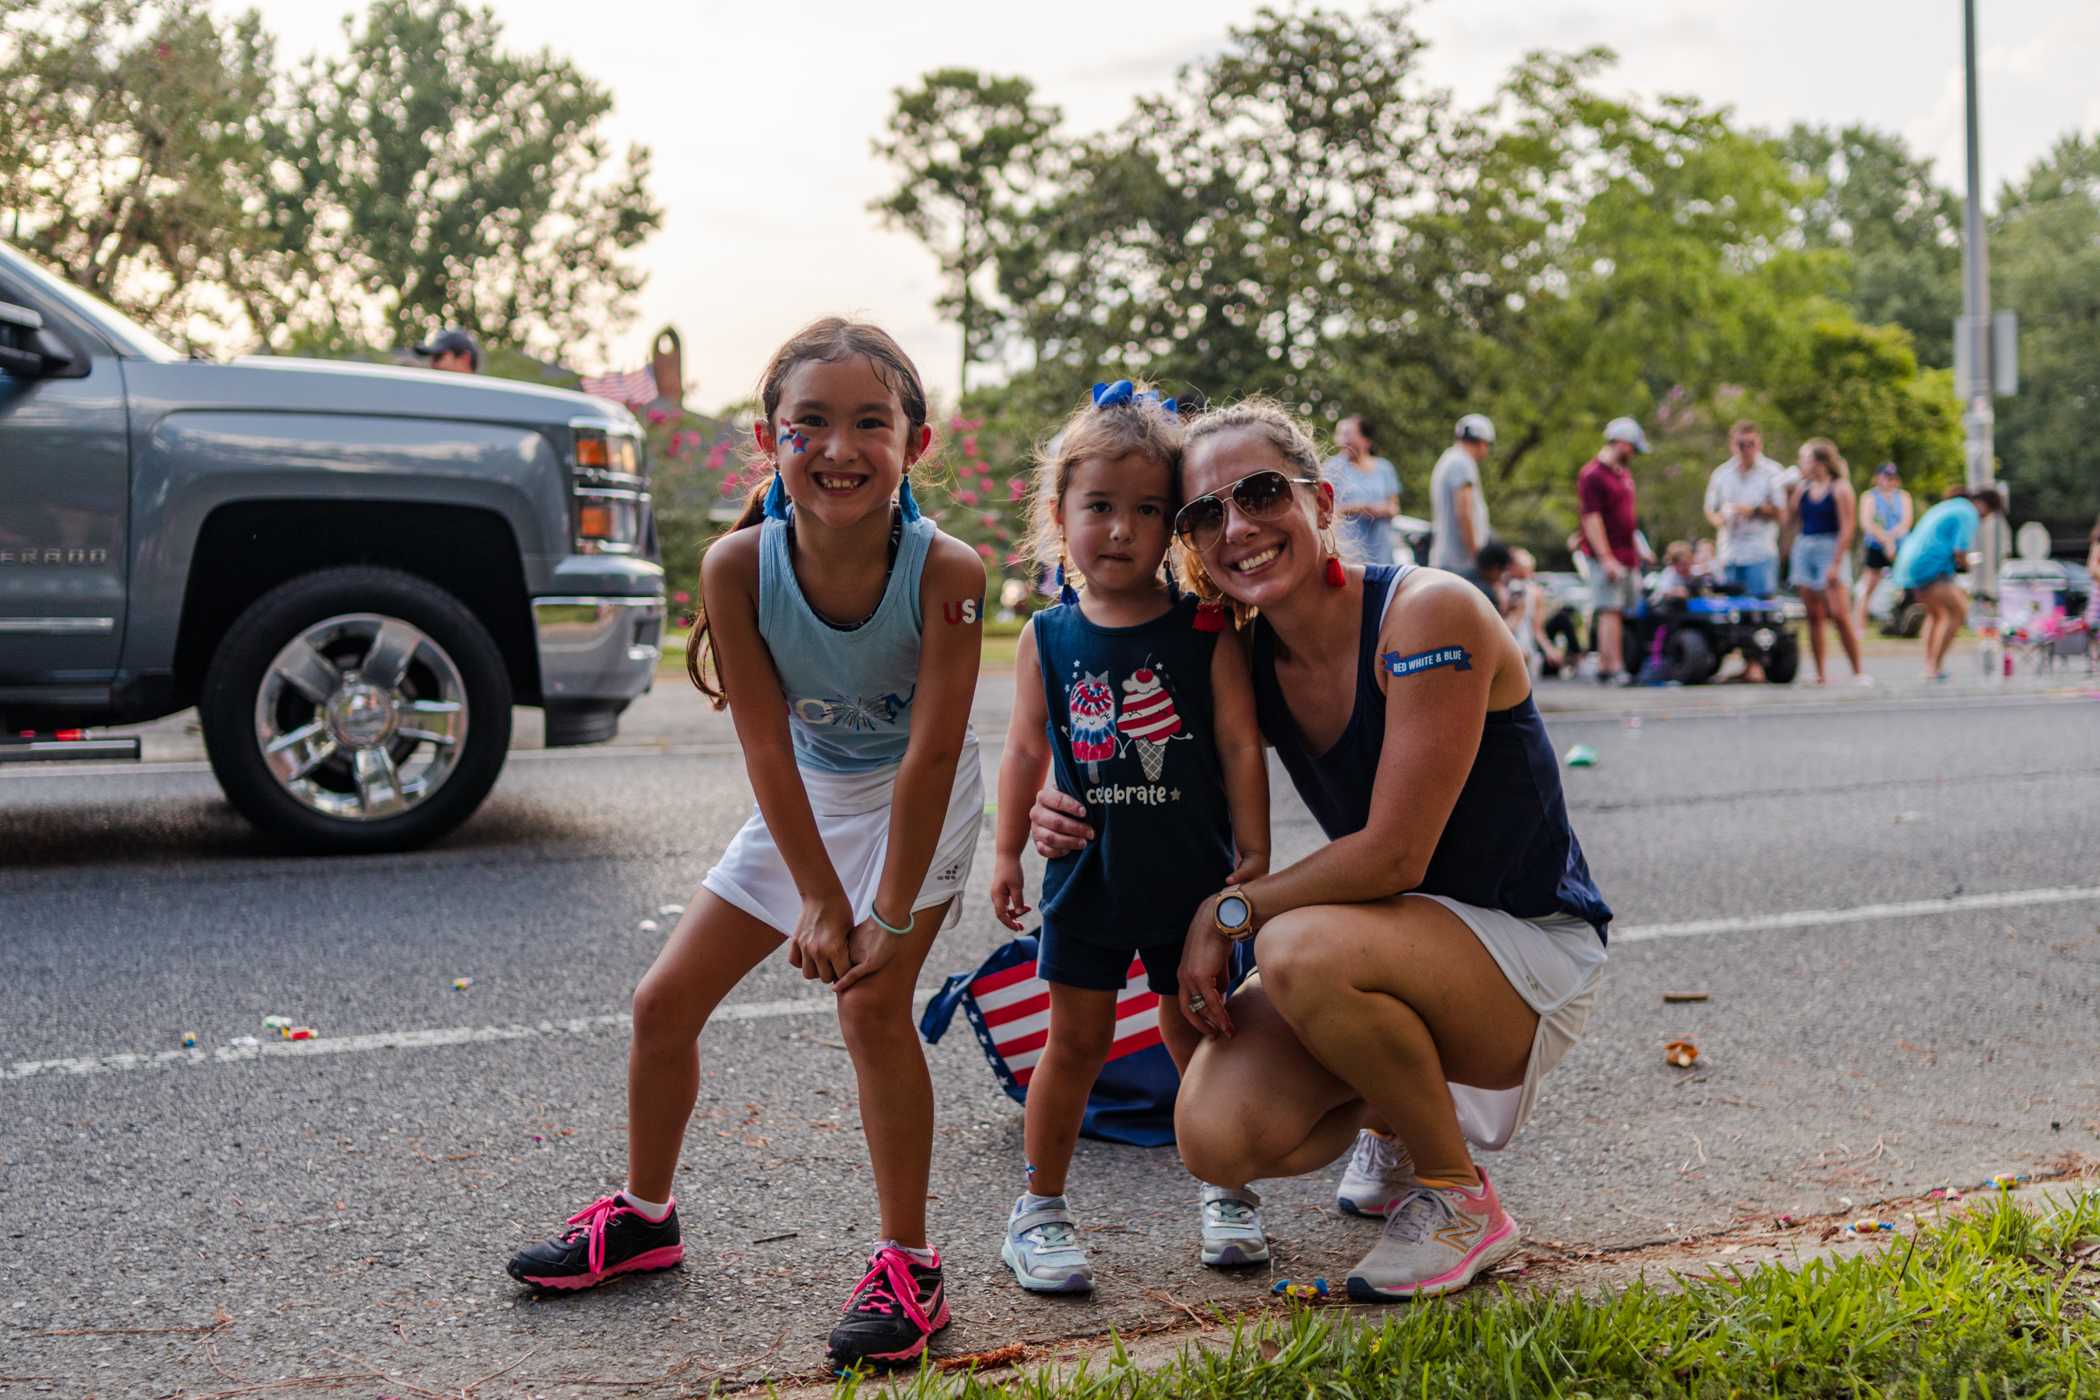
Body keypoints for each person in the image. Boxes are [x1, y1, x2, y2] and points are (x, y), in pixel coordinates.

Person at [1029, 398, 1611, 1300]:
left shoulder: (1430, 614)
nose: (1239, 526)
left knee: (1295, 946)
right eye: (1203, 514)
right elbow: (1142, 755)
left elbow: (1392, 858)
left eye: (1262, 493)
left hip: (1526, 953)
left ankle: (1457, 1195)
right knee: (1213, 1134)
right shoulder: (1251, 655)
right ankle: (1391, 1117)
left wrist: (1229, 912)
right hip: (1401, 943)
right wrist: (1055, 806)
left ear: (1324, 502)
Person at [505, 320, 987, 1370]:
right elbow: (769, 747)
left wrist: (885, 912)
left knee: (870, 1001)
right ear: (769, 441)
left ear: (917, 440)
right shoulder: (736, 566)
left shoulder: (947, 567)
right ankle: (644, 1216)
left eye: (870, 422)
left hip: (920, 799)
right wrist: (817, 894)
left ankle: (911, 1261)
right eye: (807, 423)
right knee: (661, 1003)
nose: (838, 446)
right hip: (808, 793)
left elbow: (933, 757)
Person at [987, 380, 1270, 1294]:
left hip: (1190, 881)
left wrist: (1251, 862)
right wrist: (1005, 850)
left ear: (1174, 527)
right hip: (1089, 882)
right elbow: (1027, 747)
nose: (1119, 529)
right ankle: (1039, 1210)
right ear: (1058, 515)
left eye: (1146, 511)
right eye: (1098, 507)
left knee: (1199, 1034)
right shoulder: (1047, 635)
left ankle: (1225, 1190)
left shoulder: (1205, 627)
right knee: (1074, 1045)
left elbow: (1237, 745)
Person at [1892, 486, 2005, 682]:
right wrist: (1968, 565)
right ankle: (1934, 666)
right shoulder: (1968, 512)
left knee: (1936, 615)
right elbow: (1959, 551)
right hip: (1928, 566)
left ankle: (1930, 666)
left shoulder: (1951, 505)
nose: (1985, 519)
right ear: (1985, 506)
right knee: (1958, 611)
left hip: (1909, 563)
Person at [1702, 420, 1786, 680]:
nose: (1746, 449)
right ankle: (1744, 664)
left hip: (1760, 550)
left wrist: (1752, 511)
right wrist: (1721, 519)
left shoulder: (1772, 472)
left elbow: (1781, 511)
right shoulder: (1722, 474)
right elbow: (1710, 509)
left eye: (1751, 444)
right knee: (1733, 611)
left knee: (1760, 609)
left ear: (1759, 444)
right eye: (1741, 444)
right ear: (1732, 444)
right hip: (1731, 551)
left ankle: (1759, 664)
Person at [1577, 417, 1650, 684]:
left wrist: (1639, 547)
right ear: (1621, 442)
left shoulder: (1623, 475)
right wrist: (1606, 557)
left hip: (1626, 553)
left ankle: (1608, 664)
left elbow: (1627, 517)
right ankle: (1614, 666)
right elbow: (1592, 518)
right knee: (1610, 609)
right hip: (1607, 555)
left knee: (1619, 610)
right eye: (1632, 447)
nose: (1633, 453)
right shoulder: (1593, 474)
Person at [1788, 439, 1867, 685]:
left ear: (1819, 461)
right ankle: (1820, 673)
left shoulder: (1840, 488)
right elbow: (1791, 519)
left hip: (1829, 547)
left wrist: (1835, 563)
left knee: (1839, 614)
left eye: (1805, 458)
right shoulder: (1803, 488)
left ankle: (1857, 671)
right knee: (1813, 615)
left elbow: (1847, 528)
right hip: (1805, 546)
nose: (1801, 463)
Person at [1322, 415, 1401, 565]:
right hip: (1350, 554)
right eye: (1340, 435)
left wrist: (1385, 510)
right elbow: (1325, 511)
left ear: (1365, 440)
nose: (1342, 441)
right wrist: (1359, 508)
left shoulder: (1385, 468)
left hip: (1382, 551)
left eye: (1348, 435)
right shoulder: (1331, 469)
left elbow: (1395, 507)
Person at [1429, 415, 1495, 573]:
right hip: (1460, 562)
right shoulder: (1462, 463)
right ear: (1482, 442)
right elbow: (1464, 512)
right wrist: (1477, 556)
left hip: (1448, 558)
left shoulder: (1449, 459)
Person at [1855, 463, 1914, 633]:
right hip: (1876, 545)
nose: (1888, 481)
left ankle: (1903, 620)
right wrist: (1886, 540)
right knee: (1869, 584)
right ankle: (1860, 625)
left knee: (1906, 583)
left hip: (1900, 544)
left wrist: (1892, 539)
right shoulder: (1870, 497)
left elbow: (1906, 522)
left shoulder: (1903, 497)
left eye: (1892, 478)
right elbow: (1867, 523)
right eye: (1885, 477)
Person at [1501, 547, 1562, 678]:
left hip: (1524, 641)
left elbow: (1537, 628)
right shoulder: (1502, 588)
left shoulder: (1534, 592)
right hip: (1507, 636)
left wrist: (1549, 649)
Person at [1455, 540, 1512, 606]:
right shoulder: (1486, 594)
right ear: (1495, 568)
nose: (1504, 575)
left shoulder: (1458, 574)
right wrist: (1517, 612)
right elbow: (1492, 616)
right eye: (1503, 569)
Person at [411, 326, 480, 374]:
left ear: (465, 358)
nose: (433, 364)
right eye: (431, 357)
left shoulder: (487, 394)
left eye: (438, 356)